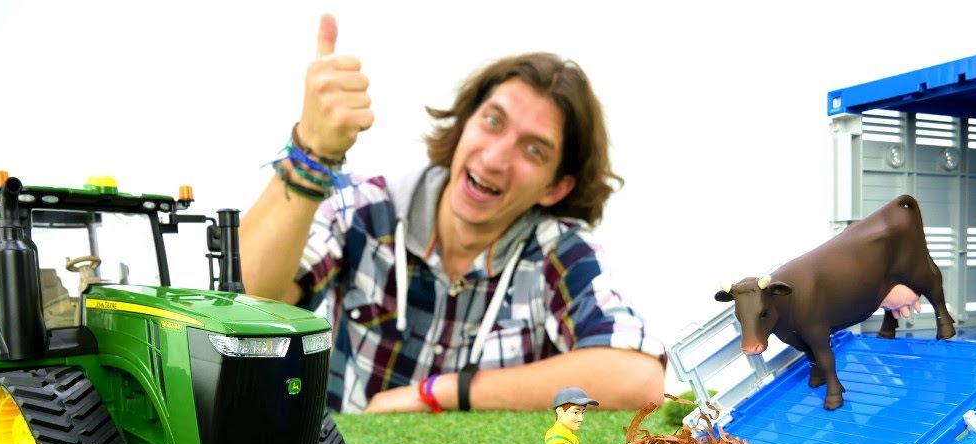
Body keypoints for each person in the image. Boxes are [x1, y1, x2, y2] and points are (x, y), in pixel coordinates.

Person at [239, 14, 666, 413]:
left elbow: (639, 377)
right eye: (493, 122)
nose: (496, 158)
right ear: (464, 122)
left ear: (556, 187)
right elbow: (245, 303)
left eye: (534, 150)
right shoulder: (366, 208)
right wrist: (313, 152)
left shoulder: (558, 251)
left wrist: (440, 392)